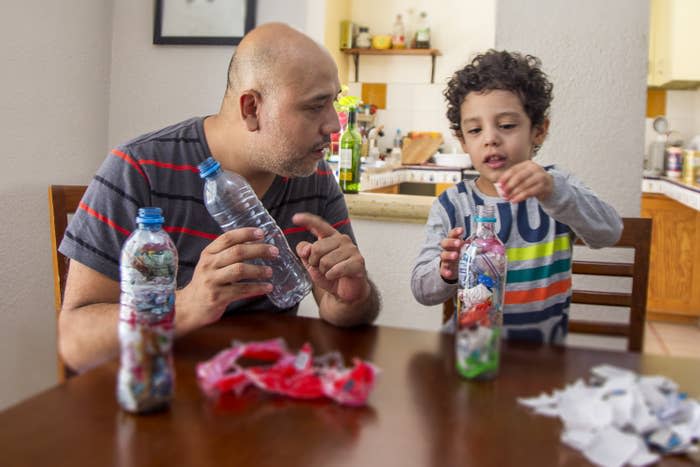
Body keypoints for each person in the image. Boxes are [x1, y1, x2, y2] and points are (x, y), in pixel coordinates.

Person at [58, 23, 381, 372]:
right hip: (157, 395)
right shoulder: (139, 170)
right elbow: (75, 341)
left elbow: (341, 309)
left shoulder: (313, 176)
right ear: (251, 109)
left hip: (264, 392)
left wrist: (353, 297)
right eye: (315, 107)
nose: (334, 124)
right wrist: (183, 306)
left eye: (332, 102)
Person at [411, 50, 622, 343]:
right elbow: (422, 290)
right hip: (473, 355)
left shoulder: (556, 188)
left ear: (539, 131)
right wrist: (446, 272)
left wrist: (553, 191)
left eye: (507, 125)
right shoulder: (452, 205)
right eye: (474, 129)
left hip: (544, 360)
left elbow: (609, 233)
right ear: (463, 141)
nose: (490, 138)